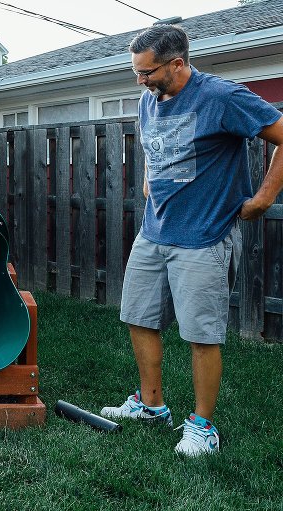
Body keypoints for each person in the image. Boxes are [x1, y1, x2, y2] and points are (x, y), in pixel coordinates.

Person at [101, 24, 283, 456]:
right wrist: (149, 178)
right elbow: (154, 146)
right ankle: (151, 405)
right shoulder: (149, 99)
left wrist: (263, 198)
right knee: (138, 317)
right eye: (136, 71)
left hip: (203, 237)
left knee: (202, 335)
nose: (139, 81)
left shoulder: (221, 97)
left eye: (146, 72)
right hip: (154, 230)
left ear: (177, 63)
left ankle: (203, 427)